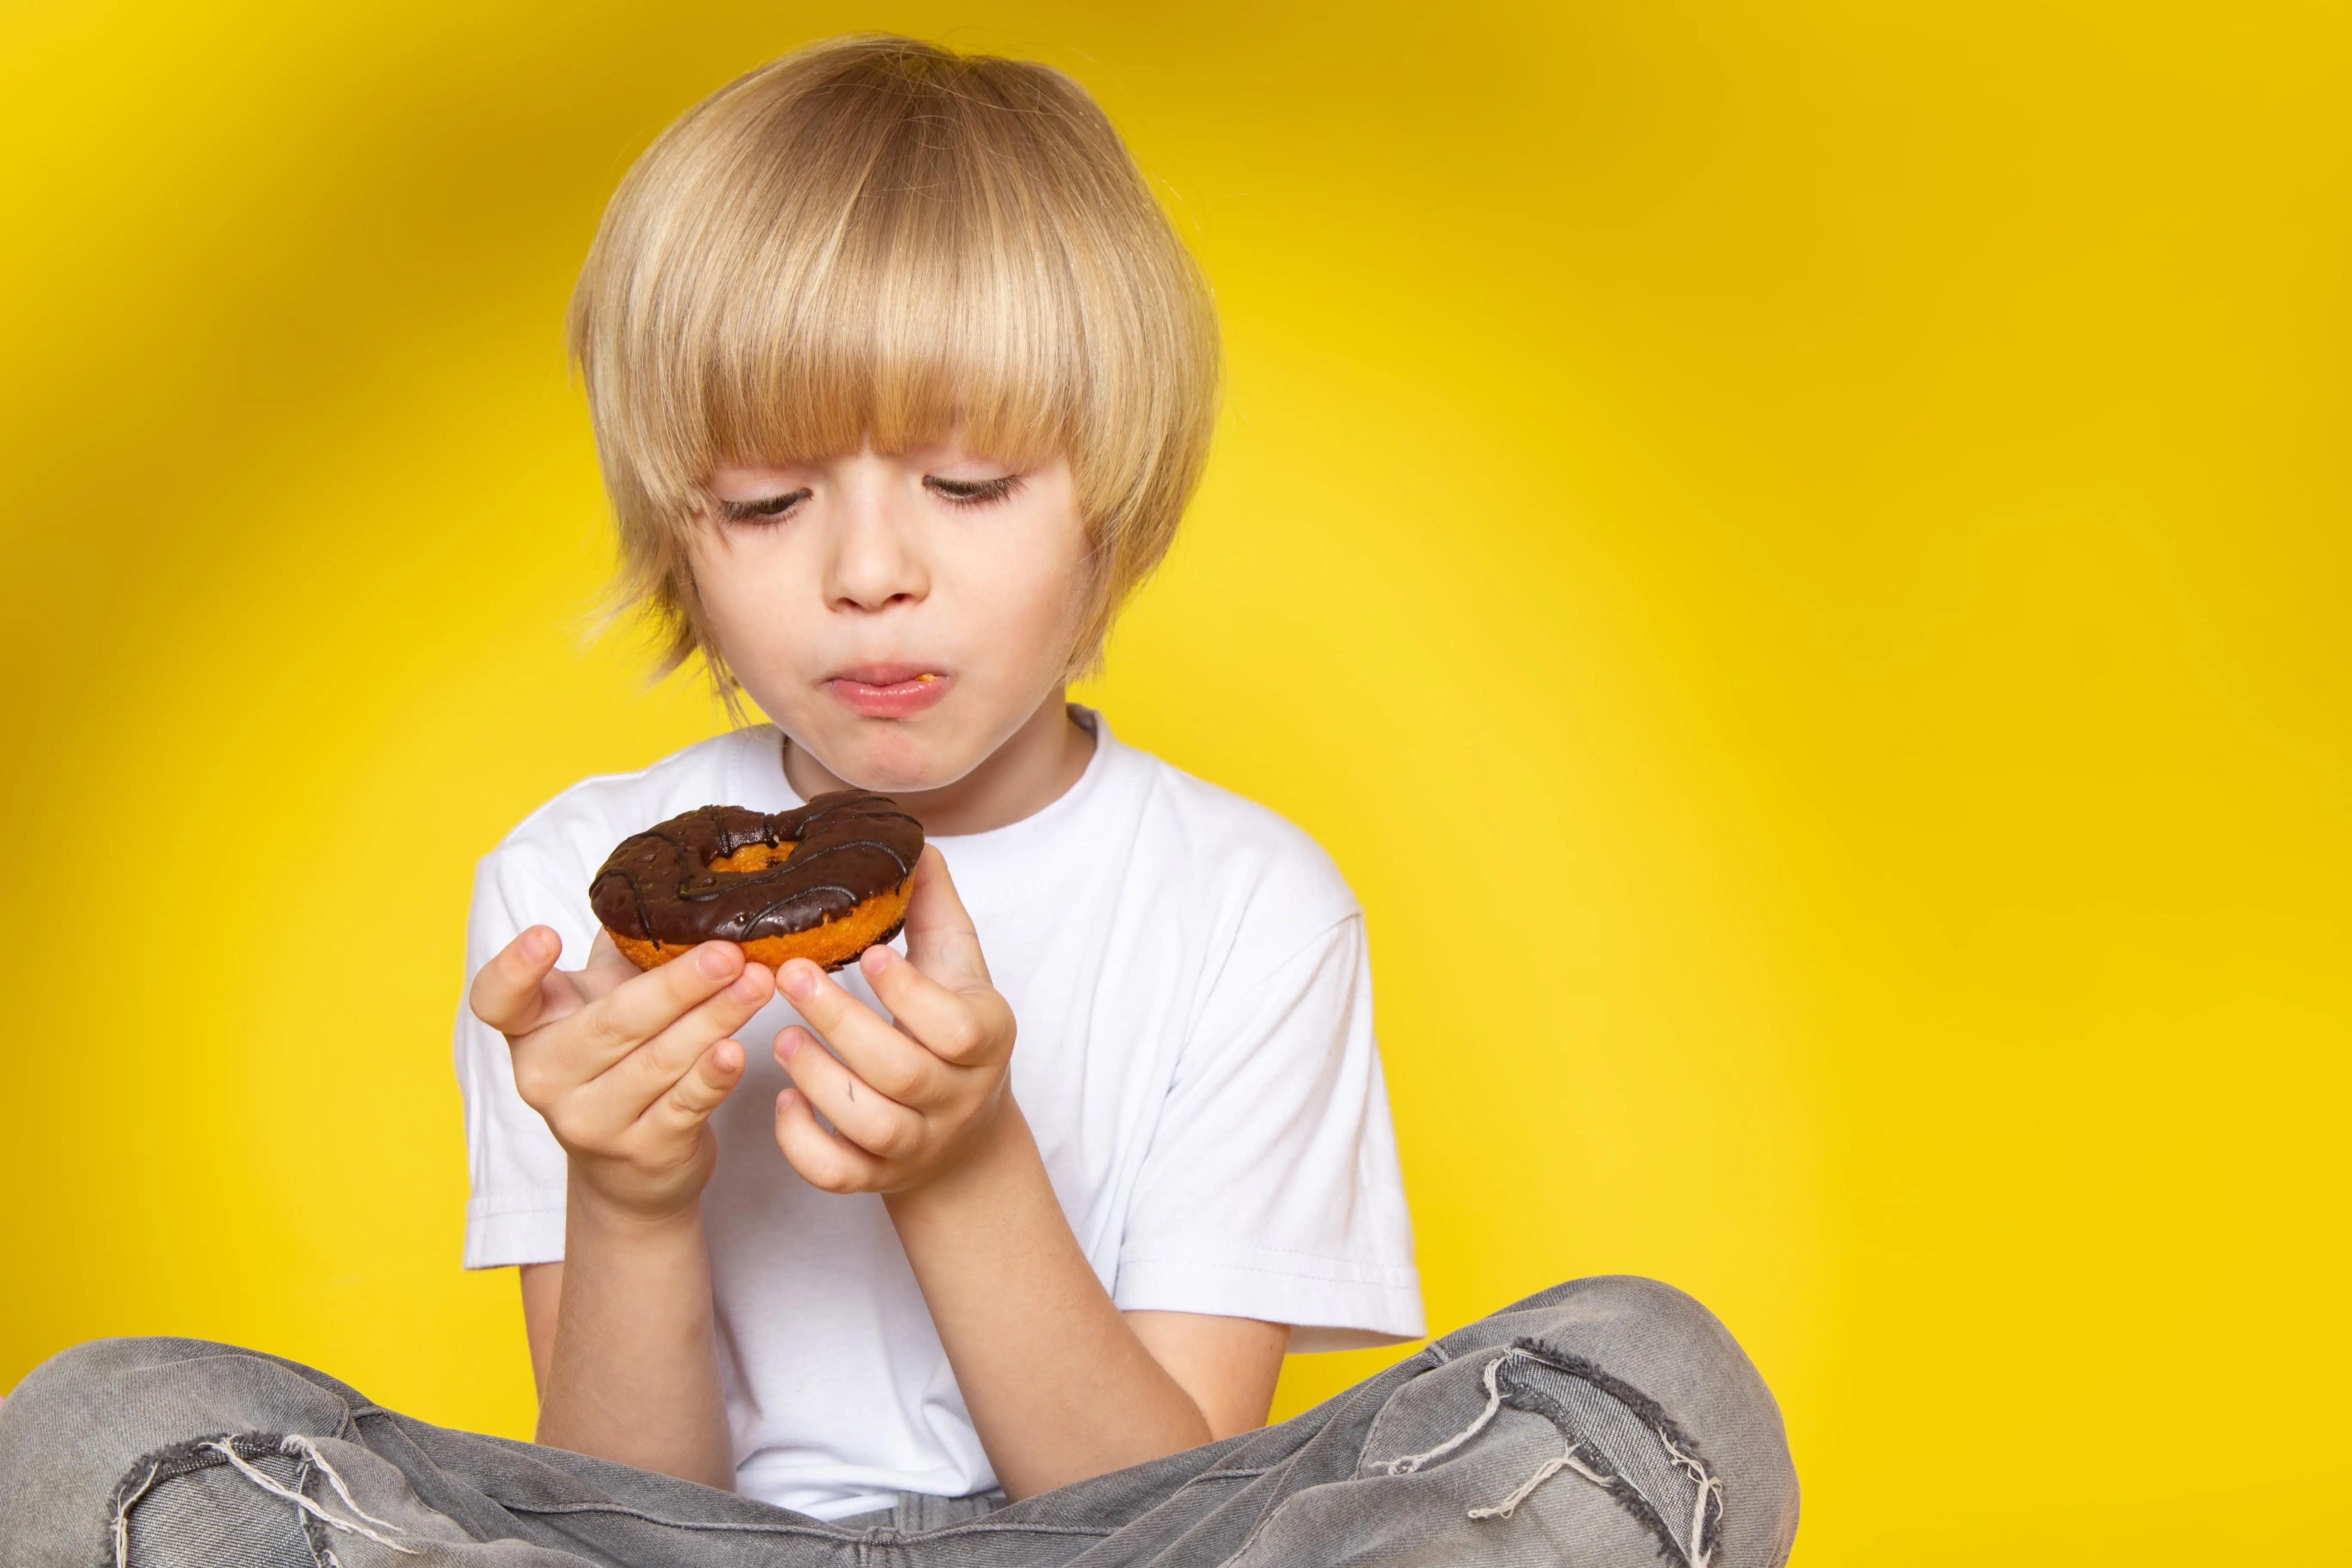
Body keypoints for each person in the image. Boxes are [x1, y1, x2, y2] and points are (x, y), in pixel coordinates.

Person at [0, 35, 1798, 1567]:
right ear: (680, 543)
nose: (870, 572)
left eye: (966, 480)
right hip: (684, 1549)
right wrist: (630, 1195)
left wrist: (965, 1166)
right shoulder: (566, 893)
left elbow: (1156, 1510)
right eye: (769, 506)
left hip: (1123, 1536)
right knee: (105, 1431)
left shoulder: (1251, 901)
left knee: (1650, 1384)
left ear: (1115, 503)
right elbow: (623, 1507)